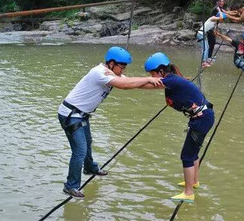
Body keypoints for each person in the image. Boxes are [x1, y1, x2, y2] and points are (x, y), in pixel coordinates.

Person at [58, 46, 163, 199]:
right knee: (80, 149)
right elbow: (125, 85)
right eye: (122, 67)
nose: (123, 70)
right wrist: (148, 78)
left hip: (81, 115)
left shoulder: (112, 73)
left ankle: (90, 168)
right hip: (70, 114)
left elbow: (137, 84)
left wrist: (166, 84)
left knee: (87, 142)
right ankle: (71, 186)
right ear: (112, 63)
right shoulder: (100, 73)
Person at [143, 52, 215, 202]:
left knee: (186, 156)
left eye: (152, 73)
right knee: (193, 153)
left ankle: (188, 193)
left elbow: (145, 84)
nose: (152, 76)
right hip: (203, 118)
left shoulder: (171, 81)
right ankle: (194, 182)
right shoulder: (171, 80)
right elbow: (147, 85)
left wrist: (121, 81)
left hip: (201, 119)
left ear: (161, 71)